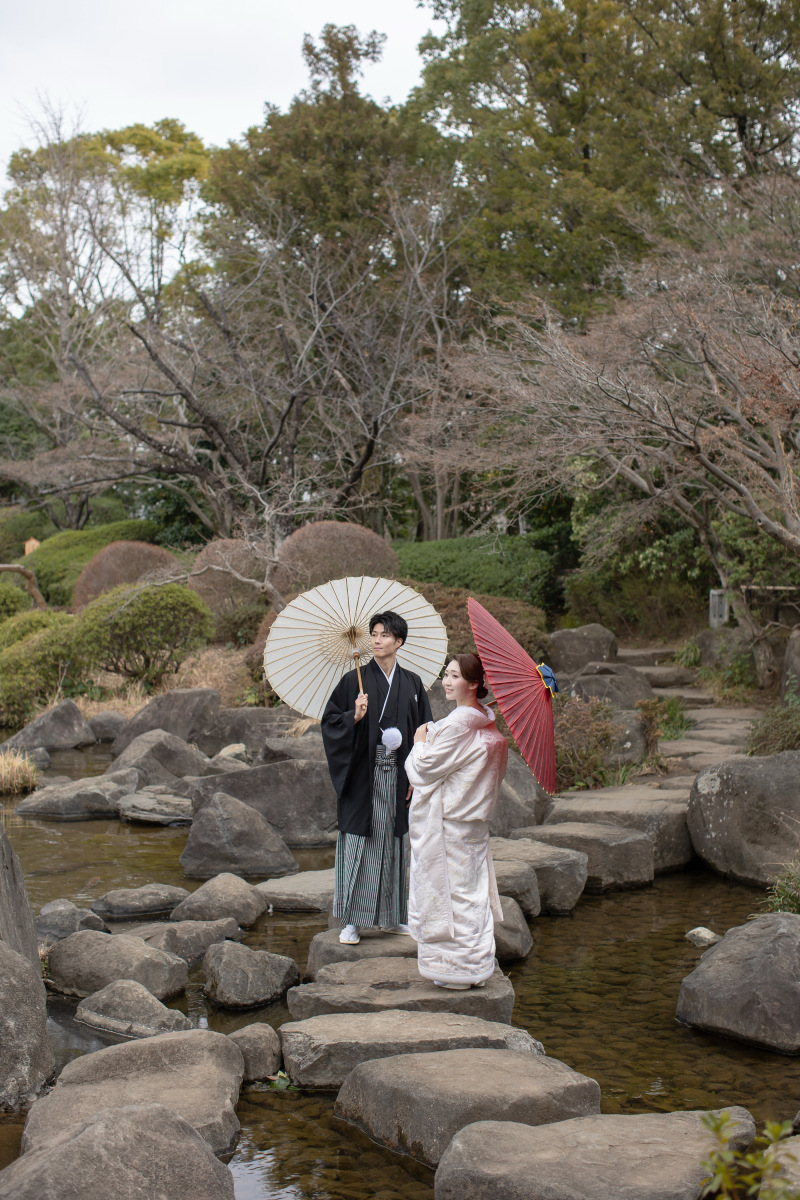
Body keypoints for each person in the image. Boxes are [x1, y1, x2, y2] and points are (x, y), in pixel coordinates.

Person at [320, 611, 433, 946]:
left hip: (398, 775)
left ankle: (392, 917)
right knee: (360, 843)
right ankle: (352, 921)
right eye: (374, 634)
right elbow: (330, 722)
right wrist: (353, 716)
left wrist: (415, 775)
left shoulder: (412, 683)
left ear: (399, 641)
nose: (377, 640)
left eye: (385, 635)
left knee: (394, 844)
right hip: (363, 776)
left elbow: (424, 730)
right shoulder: (352, 681)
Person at [405, 653, 508, 989]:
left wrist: (420, 743)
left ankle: (455, 971)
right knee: (471, 894)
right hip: (474, 824)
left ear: (474, 683)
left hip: (448, 825)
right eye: (446, 674)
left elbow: (424, 770)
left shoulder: (459, 724)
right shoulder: (486, 724)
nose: (446, 682)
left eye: (455, 676)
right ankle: (476, 965)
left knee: (450, 895)